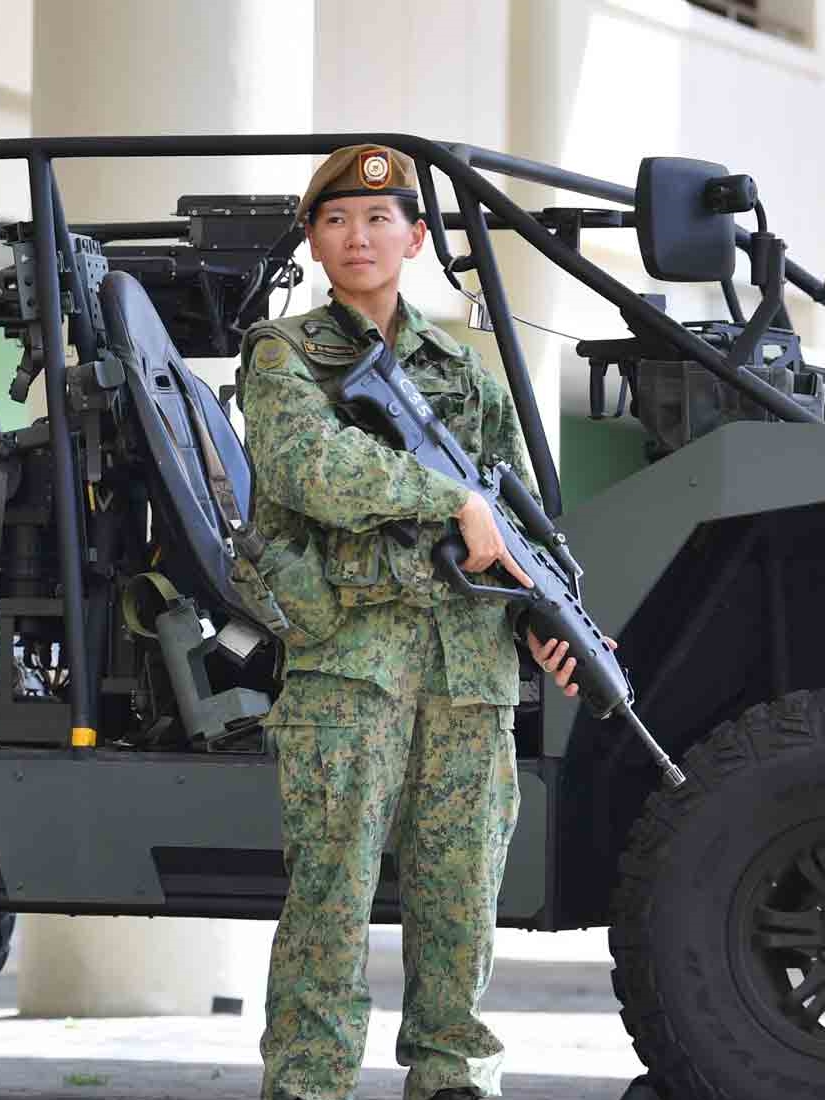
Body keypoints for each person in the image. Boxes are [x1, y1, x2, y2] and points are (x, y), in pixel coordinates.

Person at [234, 145, 597, 1100]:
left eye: (379, 219)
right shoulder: (283, 355)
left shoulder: (464, 372)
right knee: (331, 897)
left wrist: (545, 621)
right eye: (336, 221)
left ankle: (455, 1079)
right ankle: (309, 1086)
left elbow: (511, 520)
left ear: (416, 239)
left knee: (462, 898)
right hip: (351, 662)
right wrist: (450, 500)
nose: (358, 237)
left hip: (469, 670)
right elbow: (311, 468)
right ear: (314, 242)